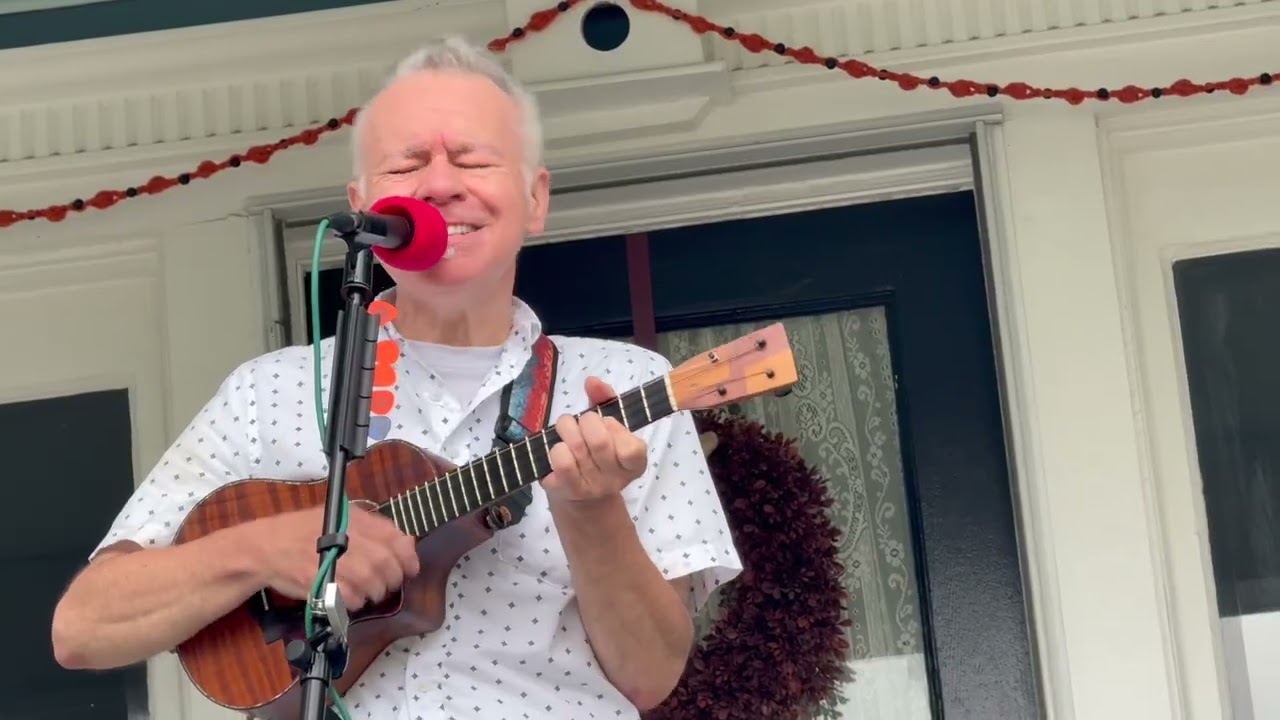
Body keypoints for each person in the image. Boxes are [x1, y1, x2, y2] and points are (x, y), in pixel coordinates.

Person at [50, 35, 742, 719]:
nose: (439, 185)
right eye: (408, 164)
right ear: (363, 205)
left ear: (535, 199)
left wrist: (594, 514)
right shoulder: (267, 392)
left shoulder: (627, 384)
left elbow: (651, 676)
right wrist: (261, 551)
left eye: (472, 159)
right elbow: (84, 627)